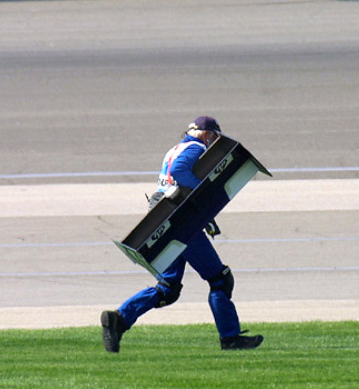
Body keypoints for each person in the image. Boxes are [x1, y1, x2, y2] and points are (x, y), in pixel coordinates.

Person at [101, 116, 264, 352]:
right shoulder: (196, 147)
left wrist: (205, 216)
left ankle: (119, 319)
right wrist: (204, 192)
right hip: (183, 224)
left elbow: (169, 186)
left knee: (168, 287)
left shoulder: (174, 149)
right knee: (219, 279)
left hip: (167, 221)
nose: (213, 144)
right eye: (215, 138)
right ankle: (230, 338)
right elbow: (180, 173)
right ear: (208, 134)